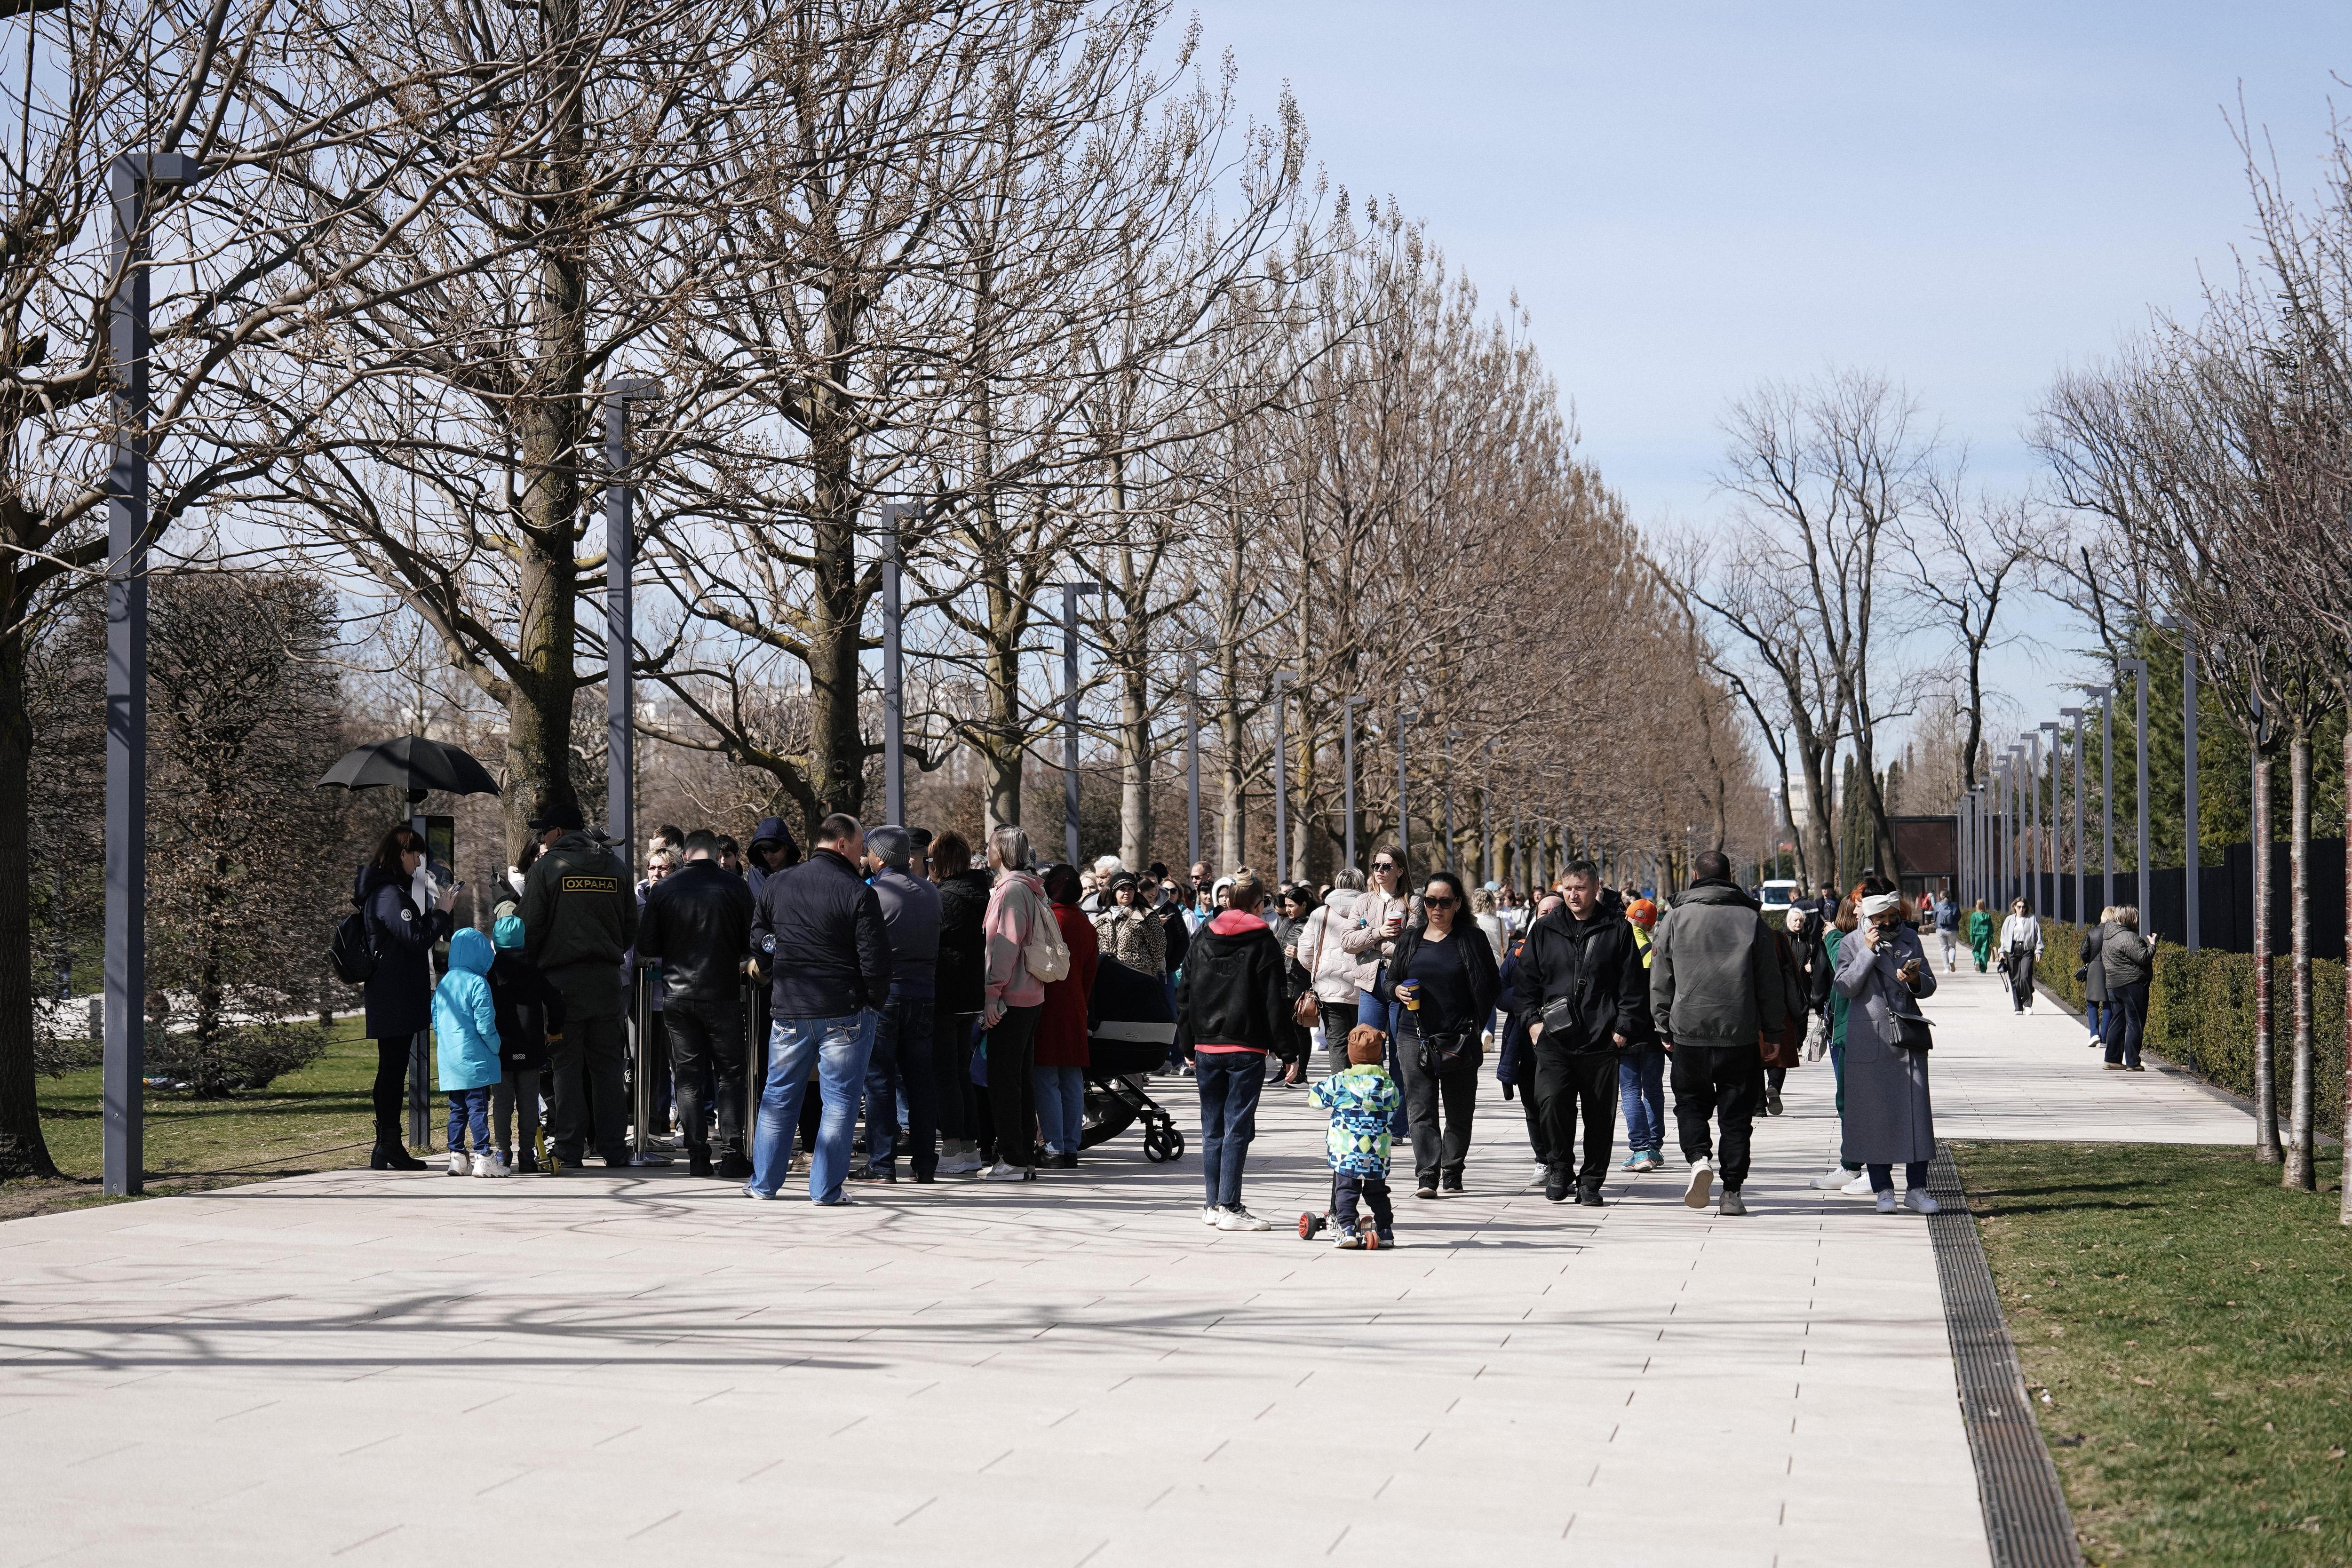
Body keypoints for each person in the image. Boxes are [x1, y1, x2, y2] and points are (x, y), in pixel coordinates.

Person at [744, 813, 892, 1203]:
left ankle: (764, 1184)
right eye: (861, 845)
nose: (864, 855)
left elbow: (759, 938)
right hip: (844, 1009)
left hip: (791, 1007)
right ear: (842, 844)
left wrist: (778, 958)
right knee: (840, 1102)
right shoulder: (859, 893)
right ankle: (826, 1189)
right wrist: (874, 1002)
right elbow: (875, 960)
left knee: (778, 1097)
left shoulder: (778, 883)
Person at [1649, 848, 1784, 1218]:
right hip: (1739, 1035)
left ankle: (1698, 1159)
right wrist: (1773, 1032)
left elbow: (1661, 978)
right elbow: (1770, 983)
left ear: (1695, 874)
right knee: (1737, 1117)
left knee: (1690, 1103)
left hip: (1688, 1033)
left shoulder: (1675, 917)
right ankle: (1733, 1192)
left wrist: (1663, 1025)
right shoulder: (1751, 920)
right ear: (1730, 876)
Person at [1515, 860, 1645, 1206]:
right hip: (1553, 1039)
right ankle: (1560, 1168)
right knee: (1551, 1103)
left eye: (1581, 887)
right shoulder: (1545, 929)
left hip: (1601, 1039)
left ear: (1596, 887)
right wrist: (1533, 1022)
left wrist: (1622, 1029)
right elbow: (1525, 981)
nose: (1573, 894)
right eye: (1568, 887)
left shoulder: (1616, 929)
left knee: (1599, 1114)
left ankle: (1591, 1181)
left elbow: (1633, 986)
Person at [520, 802, 640, 1172]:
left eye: (545, 831)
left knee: (566, 1067)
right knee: (607, 1067)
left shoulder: (545, 869)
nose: (541, 837)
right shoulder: (615, 867)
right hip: (605, 981)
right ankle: (614, 1149)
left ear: (558, 832)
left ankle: (571, 1149)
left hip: (562, 985)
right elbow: (629, 926)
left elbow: (529, 928)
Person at [637, 829, 755, 1178]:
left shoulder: (665, 890)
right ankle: (734, 1152)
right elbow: (752, 939)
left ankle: (698, 1156)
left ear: (685, 855)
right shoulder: (735, 887)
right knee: (731, 1076)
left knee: (687, 1079)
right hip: (723, 993)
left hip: (677, 995)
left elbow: (646, 945)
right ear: (717, 853)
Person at [1176, 867, 1289, 1229]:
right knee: (1237, 1127)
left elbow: (1185, 994)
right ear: (1257, 904)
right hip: (1246, 1045)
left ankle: (1212, 1204)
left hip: (1208, 1044)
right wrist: (1288, 1050)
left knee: (1212, 1127)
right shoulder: (1263, 940)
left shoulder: (1203, 937)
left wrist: (1188, 1042)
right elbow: (1275, 1000)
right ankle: (1230, 1205)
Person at [1379, 869, 1502, 1200]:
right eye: (1431, 901)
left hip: (1459, 1036)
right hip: (1413, 1034)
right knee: (1420, 1107)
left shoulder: (1472, 939)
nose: (1437, 908)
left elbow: (1491, 984)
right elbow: (1389, 981)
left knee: (1460, 1109)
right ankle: (1428, 1173)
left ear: (1458, 904)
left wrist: (1476, 1023)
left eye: (1445, 902)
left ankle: (1453, 1170)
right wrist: (1397, 991)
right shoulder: (1410, 939)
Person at [355, 824, 458, 1170]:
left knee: (393, 1068)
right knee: (392, 1069)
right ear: (402, 853)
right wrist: (441, 910)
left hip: (393, 992)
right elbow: (416, 938)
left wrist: (434, 913)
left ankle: (387, 1144)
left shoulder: (389, 892)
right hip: (393, 994)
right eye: (416, 854)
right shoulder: (388, 895)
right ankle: (388, 1143)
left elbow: (409, 935)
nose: (419, 863)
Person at [1834, 886, 1940, 1213]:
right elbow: (1845, 986)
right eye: (1879, 919)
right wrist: (1867, 953)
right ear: (1867, 919)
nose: (1887, 924)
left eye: (1892, 917)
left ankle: (1917, 1188)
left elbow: (1930, 984)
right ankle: (1883, 1189)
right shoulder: (1851, 943)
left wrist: (1913, 980)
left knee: (1915, 1115)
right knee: (1874, 1116)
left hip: (1907, 1038)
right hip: (1870, 1038)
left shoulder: (1910, 939)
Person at [854, 825, 941, 1182]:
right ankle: (924, 1163)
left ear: (880, 856)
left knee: (879, 1081)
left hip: (886, 997)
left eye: (870, 851)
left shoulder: (875, 892)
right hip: (924, 994)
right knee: (921, 1082)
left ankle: (882, 1163)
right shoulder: (930, 892)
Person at [980, 825, 1057, 1181]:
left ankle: (1012, 1157)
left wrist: (992, 994)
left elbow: (1004, 946)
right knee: (1020, 1080)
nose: (987, 849)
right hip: (1032, 994)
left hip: (1010, 997)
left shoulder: (1011, 891)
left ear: (1004, 851)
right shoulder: (1031, 889)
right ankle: (1024, 1156)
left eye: (991, 845)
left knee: (1004, 1081)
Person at [1301, 1024, 1404, 1249]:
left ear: (1350, 1054)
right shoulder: (1388, 1086)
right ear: (1379, 1057)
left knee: (1346, 1190)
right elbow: (1396, 1103)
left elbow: (1314, 1099)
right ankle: (1386, 1230)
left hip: (1346, 1151)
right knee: (1379, 1192)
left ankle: (1347, 1228)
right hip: (1377, 1152)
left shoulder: (1340, 1083)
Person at [931, 831, 992, 1176]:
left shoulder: (944, 898)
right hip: (971, 993)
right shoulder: (980, 894)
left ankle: (953, 1144)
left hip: (945, 992)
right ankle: (969, 1145)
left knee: (946, 1074)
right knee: (961, 1071)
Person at [1034, 862, 1100, 1167]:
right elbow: (1090, 973)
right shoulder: (1086, 924)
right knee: (1072, 1079)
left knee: (1046, 1077)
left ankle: (1054, 1146)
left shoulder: (1049, 921)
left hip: (1046, 1004)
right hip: (1075, 1007)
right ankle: (1071, 1146)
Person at [487, 910, 562, 1175]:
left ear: (496, 942)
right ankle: (528, 1155)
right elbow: (555, 1000)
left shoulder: (491, 972)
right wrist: (554, 1030)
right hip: (531, 1045)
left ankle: (503, 1152)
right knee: (529, 1102)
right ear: (522, 940)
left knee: (503, 1103)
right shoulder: (534, 969)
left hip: (500, 1046)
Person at [1495, 893, 1562, 1182]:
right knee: (1532, 1103)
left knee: (1558, 1102)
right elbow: (1500, 993)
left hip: (1563, 1039)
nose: (1547, 914)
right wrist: (1528, 1002)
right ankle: (1543, 1159)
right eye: (1543, 910)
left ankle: (1561, 1158)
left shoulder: (1574, 948)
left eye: (1554, 910)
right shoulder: (1518, 951)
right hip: (1525, 1039)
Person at [432, 925, 506, 1177]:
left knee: (457, 1109)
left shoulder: (443, 984)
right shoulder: (478, 983)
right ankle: (484, 1156)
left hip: (450, 1058)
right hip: (475, 1057)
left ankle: (456, 1156)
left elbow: (437, 1023)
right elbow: (485, 1024)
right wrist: (496, 1047)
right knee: (478, 1107)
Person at [1808, 896, 1867, 1193]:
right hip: (1842, 1026)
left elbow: (1843, 972)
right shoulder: (1851, 939)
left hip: (1852, 1028)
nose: (1859, 911)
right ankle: (1855, 1164)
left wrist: (1831, 936)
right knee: (1848, 1098)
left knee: (1853, 1099)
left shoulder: (1846, 941)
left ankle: (1857, 1166)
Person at [1298, 869, 1368, 1069]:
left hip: (1329, 988)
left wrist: (1317, 971)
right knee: (1362, 1041)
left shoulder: (1321, 913)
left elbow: (1305, 951)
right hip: (1363, 987)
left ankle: (1340, 1091)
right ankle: (1362, 1087)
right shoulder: (1368, 911)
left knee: (1337, 1042)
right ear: (1361, 886)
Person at [1618, 896, 1666, 1173]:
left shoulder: (1622, 946)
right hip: (1654, 1030)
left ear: (1627, 918)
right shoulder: (1653, 949)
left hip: (1627, 1030)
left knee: (1631, 1090)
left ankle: (1640, 1149)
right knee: (1653, 1090)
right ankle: (1655, 1146)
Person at [2098, 907, 2155, 1072]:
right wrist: (2152, 945)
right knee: (2135, 1022)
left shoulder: (2109, 937)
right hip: (2133, 985)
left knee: (2118, 1021)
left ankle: (2112, 1059)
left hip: (2114, 985)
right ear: (2130, 919)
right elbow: (2143, 957)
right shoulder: (2129, 937)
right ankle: (2133, 1062)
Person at [1094, 870, 1167, 978]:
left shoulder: (1146, 916)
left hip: (1138, 977)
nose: (1127, 893)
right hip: (1109, 977)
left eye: (1131, 889)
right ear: (1114, 892)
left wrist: (1147, 971)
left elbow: (1159, 948)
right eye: (1122, 889)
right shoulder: (1102, 918)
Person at [2079, 906, 2115, 1048]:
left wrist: (2088, 963)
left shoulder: (2092, 932)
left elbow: (2084, 952)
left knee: (2092, 1003)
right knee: (2108, 1003)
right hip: (2110, 968)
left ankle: (2094, 1034)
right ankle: (2104, 1038)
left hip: (2094, 968)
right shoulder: (2115, 935)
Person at [1999, 897, 2042, 1014]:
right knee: (2015, 979)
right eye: (2019, 907)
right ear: (2015, 907)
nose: (2021, 909)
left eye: (2023, 907)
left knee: (2025, 977)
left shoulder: (2032, 920)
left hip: (2027, 950)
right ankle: (2018, 1007)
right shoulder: (2009, 920)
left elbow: (2038, 936)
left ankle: (2028, 1005)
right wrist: (2002, 952)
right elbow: (2004, 937)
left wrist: (2039, 951)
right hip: (2012, 950)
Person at [745, 814, 800, 899]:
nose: (769, 856)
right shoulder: (749, 877)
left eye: (774, 849)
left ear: (787, 846)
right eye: (764, 850)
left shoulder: (801, 875)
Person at [1931, 883, 1960, 972]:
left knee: (1944, 948)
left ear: (1941, 896)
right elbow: (1958, 916)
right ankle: (1952, 960)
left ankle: (1947, 968)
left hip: (1940, 929)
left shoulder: (1938, 905)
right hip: (1952, 929)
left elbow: (1935, 916)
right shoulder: (1955, 905)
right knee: (1952, 947)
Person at [1966, 898, 1995, 973]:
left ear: (1977, 905)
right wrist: (1991, 938)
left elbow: (1972, 927)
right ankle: (1983, 969)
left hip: (1977, 936)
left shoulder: (1974, 915)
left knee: (1976, 950)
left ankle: (1977, 960)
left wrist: (1971, 937)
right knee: (1985, 952)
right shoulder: (1988, 916)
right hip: (1985, 936)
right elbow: (1991, 928)